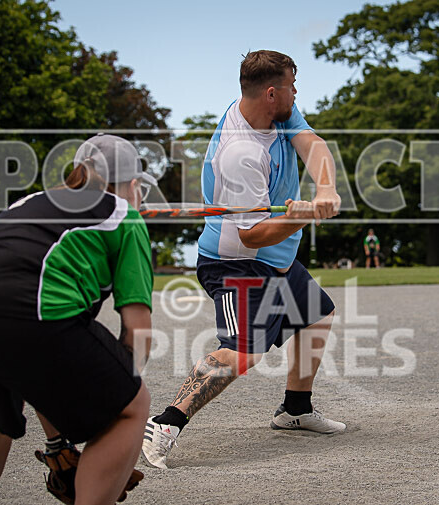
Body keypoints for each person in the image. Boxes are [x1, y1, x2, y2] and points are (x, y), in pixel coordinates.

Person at [141, 50, 344, 470]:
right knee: (242, 351)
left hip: (276, 260)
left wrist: (325, 189)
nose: (296, 93)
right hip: (237, 263)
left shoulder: (276, 111)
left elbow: (314, 144)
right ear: (271, 92)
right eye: (292, 86)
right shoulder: (241, 153)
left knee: (316, 316)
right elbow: (252, 234)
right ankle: (163, 424)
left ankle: (295, 410)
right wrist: (298, 217)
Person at [0, 134, 154, 505]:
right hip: (32, 315)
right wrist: (117, 409)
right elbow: (138, 328)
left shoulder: (31, 202)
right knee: (132, 407)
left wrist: (58, 442)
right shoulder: (123, 215)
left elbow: (40, 368)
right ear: (133, 184)